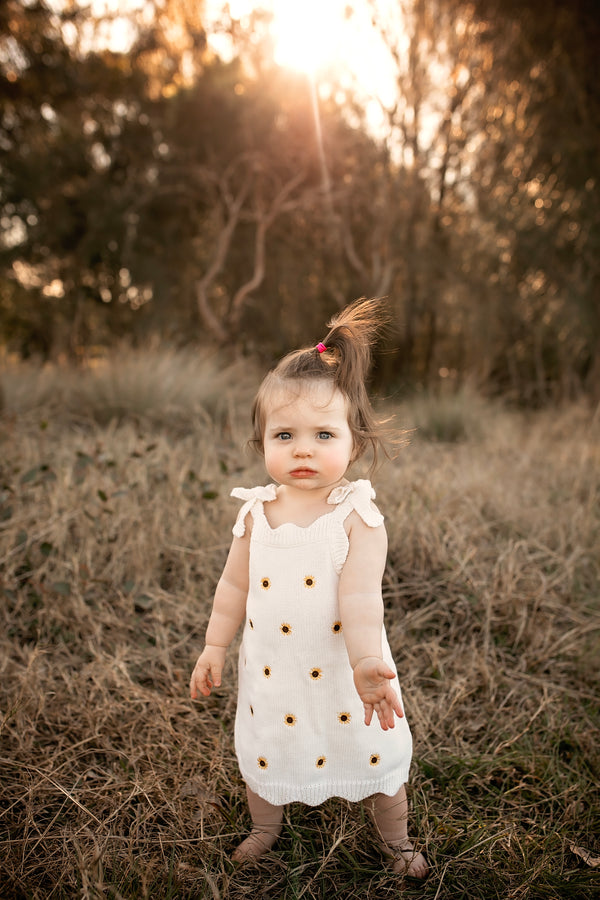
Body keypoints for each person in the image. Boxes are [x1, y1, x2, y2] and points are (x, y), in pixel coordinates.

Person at [190, 299, 428, 879]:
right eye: (285, 434)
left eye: (323, 433)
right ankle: (264, 825)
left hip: (347, 669)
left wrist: (368, 662)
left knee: (375, 756)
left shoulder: (355, 515)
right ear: (261, 440)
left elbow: (361, 598)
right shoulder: (255, 511)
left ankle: (395, 842)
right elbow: (233, 585)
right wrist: (215, 646)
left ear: (354, 440)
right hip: (273, 669)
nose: (303, 448)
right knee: (267, 745)